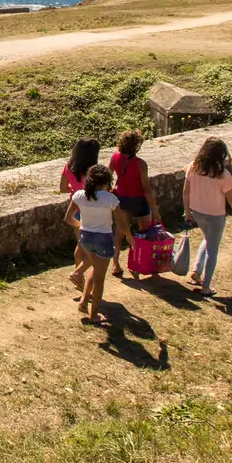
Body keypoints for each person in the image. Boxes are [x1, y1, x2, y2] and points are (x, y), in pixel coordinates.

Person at [182, 137, 232, 296]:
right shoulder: (223, 175)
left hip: (197, 212)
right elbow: (231, 199)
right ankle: (206, 286)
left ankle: (197, 271)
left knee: (207, 239)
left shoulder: (192, 167)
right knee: (213, 250)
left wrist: (187, 212)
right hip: (216, 216)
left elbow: (186, 193)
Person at [64, 164, 120, 323]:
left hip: (85, 238)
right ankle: (94, 315)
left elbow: (68, 219)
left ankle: (83, 301)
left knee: (95, 268)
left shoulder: (79, 195)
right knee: (100, 279)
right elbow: (121, 224)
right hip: (104, 238)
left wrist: (81, 226)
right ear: (106, 182)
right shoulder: (110, 199)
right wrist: (129, 238)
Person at [108, 131, 162, 276]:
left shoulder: (114, 158)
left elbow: (107, 176)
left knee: (119, 232)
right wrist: (155, 209)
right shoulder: (140, 164)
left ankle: (115, 264)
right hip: (138, 200)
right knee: (144, 232)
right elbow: (146, 189)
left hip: (121, 198)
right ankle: (139, 262)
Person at [60, 138, 101, 288]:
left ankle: (80, 280)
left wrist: (75, 189)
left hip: (76, 209)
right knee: (95, 249)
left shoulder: (69, 167)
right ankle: (78, 272)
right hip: (92, 211)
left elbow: (63, 188)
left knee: (81, 245)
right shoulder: (94, 172)